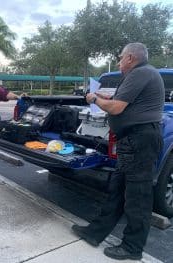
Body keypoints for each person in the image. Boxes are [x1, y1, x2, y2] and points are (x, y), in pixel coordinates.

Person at [72, 42, 164, 260]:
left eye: (121, 58)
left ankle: (132, 248)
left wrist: (95, 98)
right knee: (117, 190)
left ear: (131, 58)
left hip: (139, 141)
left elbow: (117, 107)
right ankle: (95, 233)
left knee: (137, 198)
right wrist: (106, 96)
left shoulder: (141, 73)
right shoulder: (142, 74)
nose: (120, 62)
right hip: (132, 142)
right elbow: (121, 102)